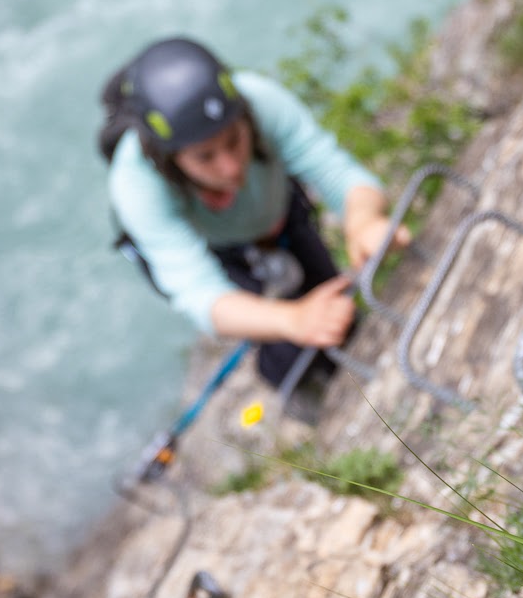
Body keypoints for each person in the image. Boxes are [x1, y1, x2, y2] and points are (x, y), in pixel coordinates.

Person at [98, 36, 409, 390]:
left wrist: (364, 221)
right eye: (205, 157)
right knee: (286, 348)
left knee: (335, 307)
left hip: (280, 214)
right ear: (170, 158)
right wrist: (292, 320)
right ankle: (303, 390)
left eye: (233, 140)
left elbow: (337, 172)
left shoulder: (260, 101)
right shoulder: (138, 184)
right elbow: (201, 294)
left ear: (243, 117)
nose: (231, 168)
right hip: (225, 249)